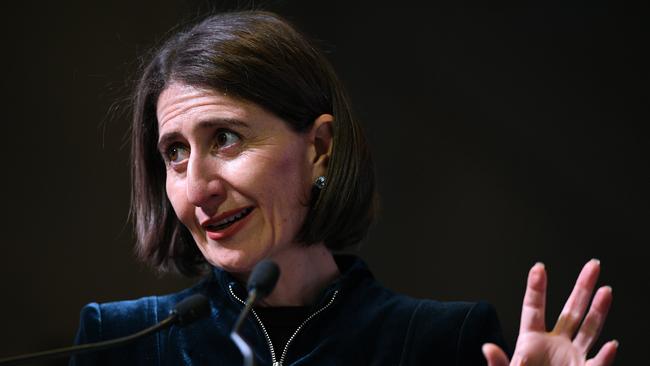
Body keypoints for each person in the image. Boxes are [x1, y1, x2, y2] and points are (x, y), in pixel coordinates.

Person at [71, 11, 616, 365]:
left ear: (320, 148)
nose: (197, 187)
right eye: (175, 153)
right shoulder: (121, 341)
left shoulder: (442, 341)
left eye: (227, 138)